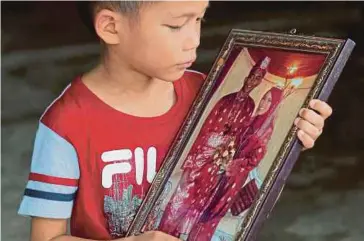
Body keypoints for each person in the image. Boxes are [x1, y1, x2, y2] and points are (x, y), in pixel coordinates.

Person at [17, 1, 333, 241]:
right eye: (175, 26)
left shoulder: (208, 93)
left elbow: (243, 152)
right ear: (111, 27)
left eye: (199, 19)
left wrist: (290, 139)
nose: (193, 40)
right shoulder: (67, 123)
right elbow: (46, 237)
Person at [158, 55, 271, 237]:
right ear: (246, 77)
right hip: (202, 153)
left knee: (198, 201)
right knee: (182, 194)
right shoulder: (226, 99)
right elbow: (206, 128)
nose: (253, 81)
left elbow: (238, 136)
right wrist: (195, 157)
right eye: (252, 76)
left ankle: (179, 235)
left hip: (218, 162)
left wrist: (225, 158)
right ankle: (165, 232)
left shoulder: (250, 106)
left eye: (258, 78)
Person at [187, 87, 283, 241]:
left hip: (234, 177)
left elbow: (254, 159)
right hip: (223, 168)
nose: (264, 102)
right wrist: (224, 154)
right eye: (264, 98)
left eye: (269, 100)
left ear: (274, 105)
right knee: (204, 204)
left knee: (214, 211)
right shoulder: (252, 119)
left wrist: (232, 165)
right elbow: (234, 141)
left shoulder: (266, 130)